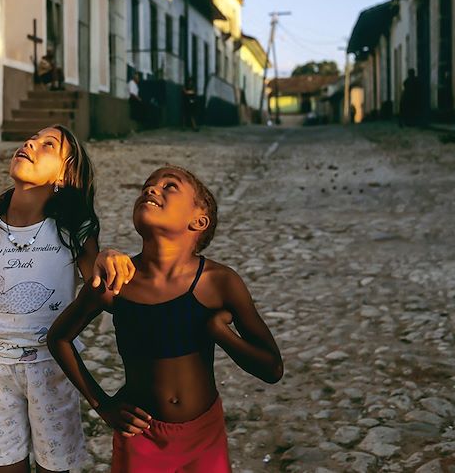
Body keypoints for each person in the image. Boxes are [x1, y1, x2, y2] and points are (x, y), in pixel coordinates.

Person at [48, 165, 283, 473]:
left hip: (204, 437)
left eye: (170, 186)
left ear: (198, 220)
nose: (151, 189)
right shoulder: (117, 283)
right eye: (147, 185)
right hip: (141, 437)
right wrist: (102, 405)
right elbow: (58, 338)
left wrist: (220, 332)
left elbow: (272, 367)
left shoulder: (219, 282)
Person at [0, 125, 135, 473]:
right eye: (32, 138)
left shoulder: (74, 226)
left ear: (64, 173)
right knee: (6, 465)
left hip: (51, 366)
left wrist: (108, 255)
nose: (30, 143)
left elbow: (95, 278)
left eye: (48, 145)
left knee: (53, 465)